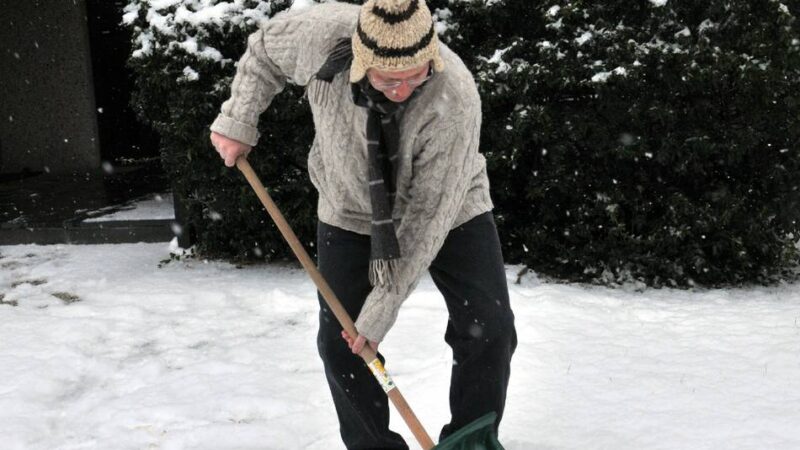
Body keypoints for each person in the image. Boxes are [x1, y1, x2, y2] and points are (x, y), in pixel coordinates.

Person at [209, 0, 517, 448]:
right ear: (361, 61)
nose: (403, 89)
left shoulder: (455, 96)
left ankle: (471, 441)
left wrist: (380, 311)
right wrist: (238, 119)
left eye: (416, 76)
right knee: (341, 341)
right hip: (350, 204)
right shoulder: (318, 37)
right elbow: (264, 53)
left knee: (490, 326)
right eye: (390, 79)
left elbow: (426, 219)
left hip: (449, 207)